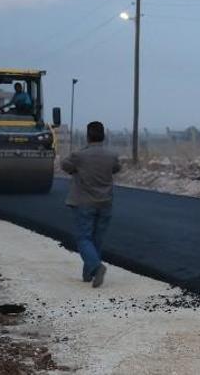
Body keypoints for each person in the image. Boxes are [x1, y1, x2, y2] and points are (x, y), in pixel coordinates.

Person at [61, 121, 121, 288]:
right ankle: (88, 275)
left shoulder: (79, 156)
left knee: (83, 239)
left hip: (84, 204)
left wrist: (77, 169)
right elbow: (116, 168)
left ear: (87, 136)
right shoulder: (111, 155)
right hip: (105, 204)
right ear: (104, 136)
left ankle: (96, 267)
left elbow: (65, 165)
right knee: (96, 240)